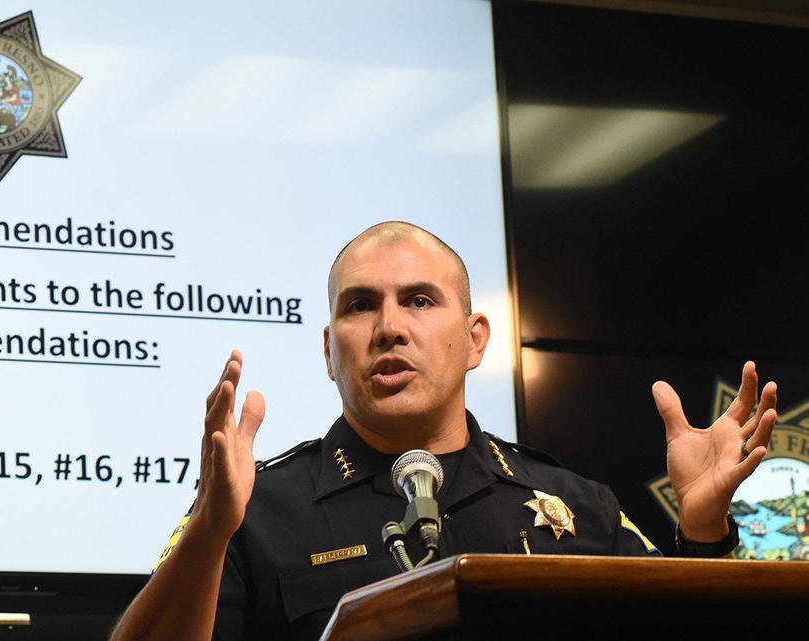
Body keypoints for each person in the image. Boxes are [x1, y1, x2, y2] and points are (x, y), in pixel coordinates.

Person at [109, 221, 778, 641]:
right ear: (328, 349)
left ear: (474, 338)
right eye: (361, 305)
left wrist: (703, 533)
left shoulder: (577, 505)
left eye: (420, 300)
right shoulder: (255, 509)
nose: (390, 326)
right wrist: (210, 531)